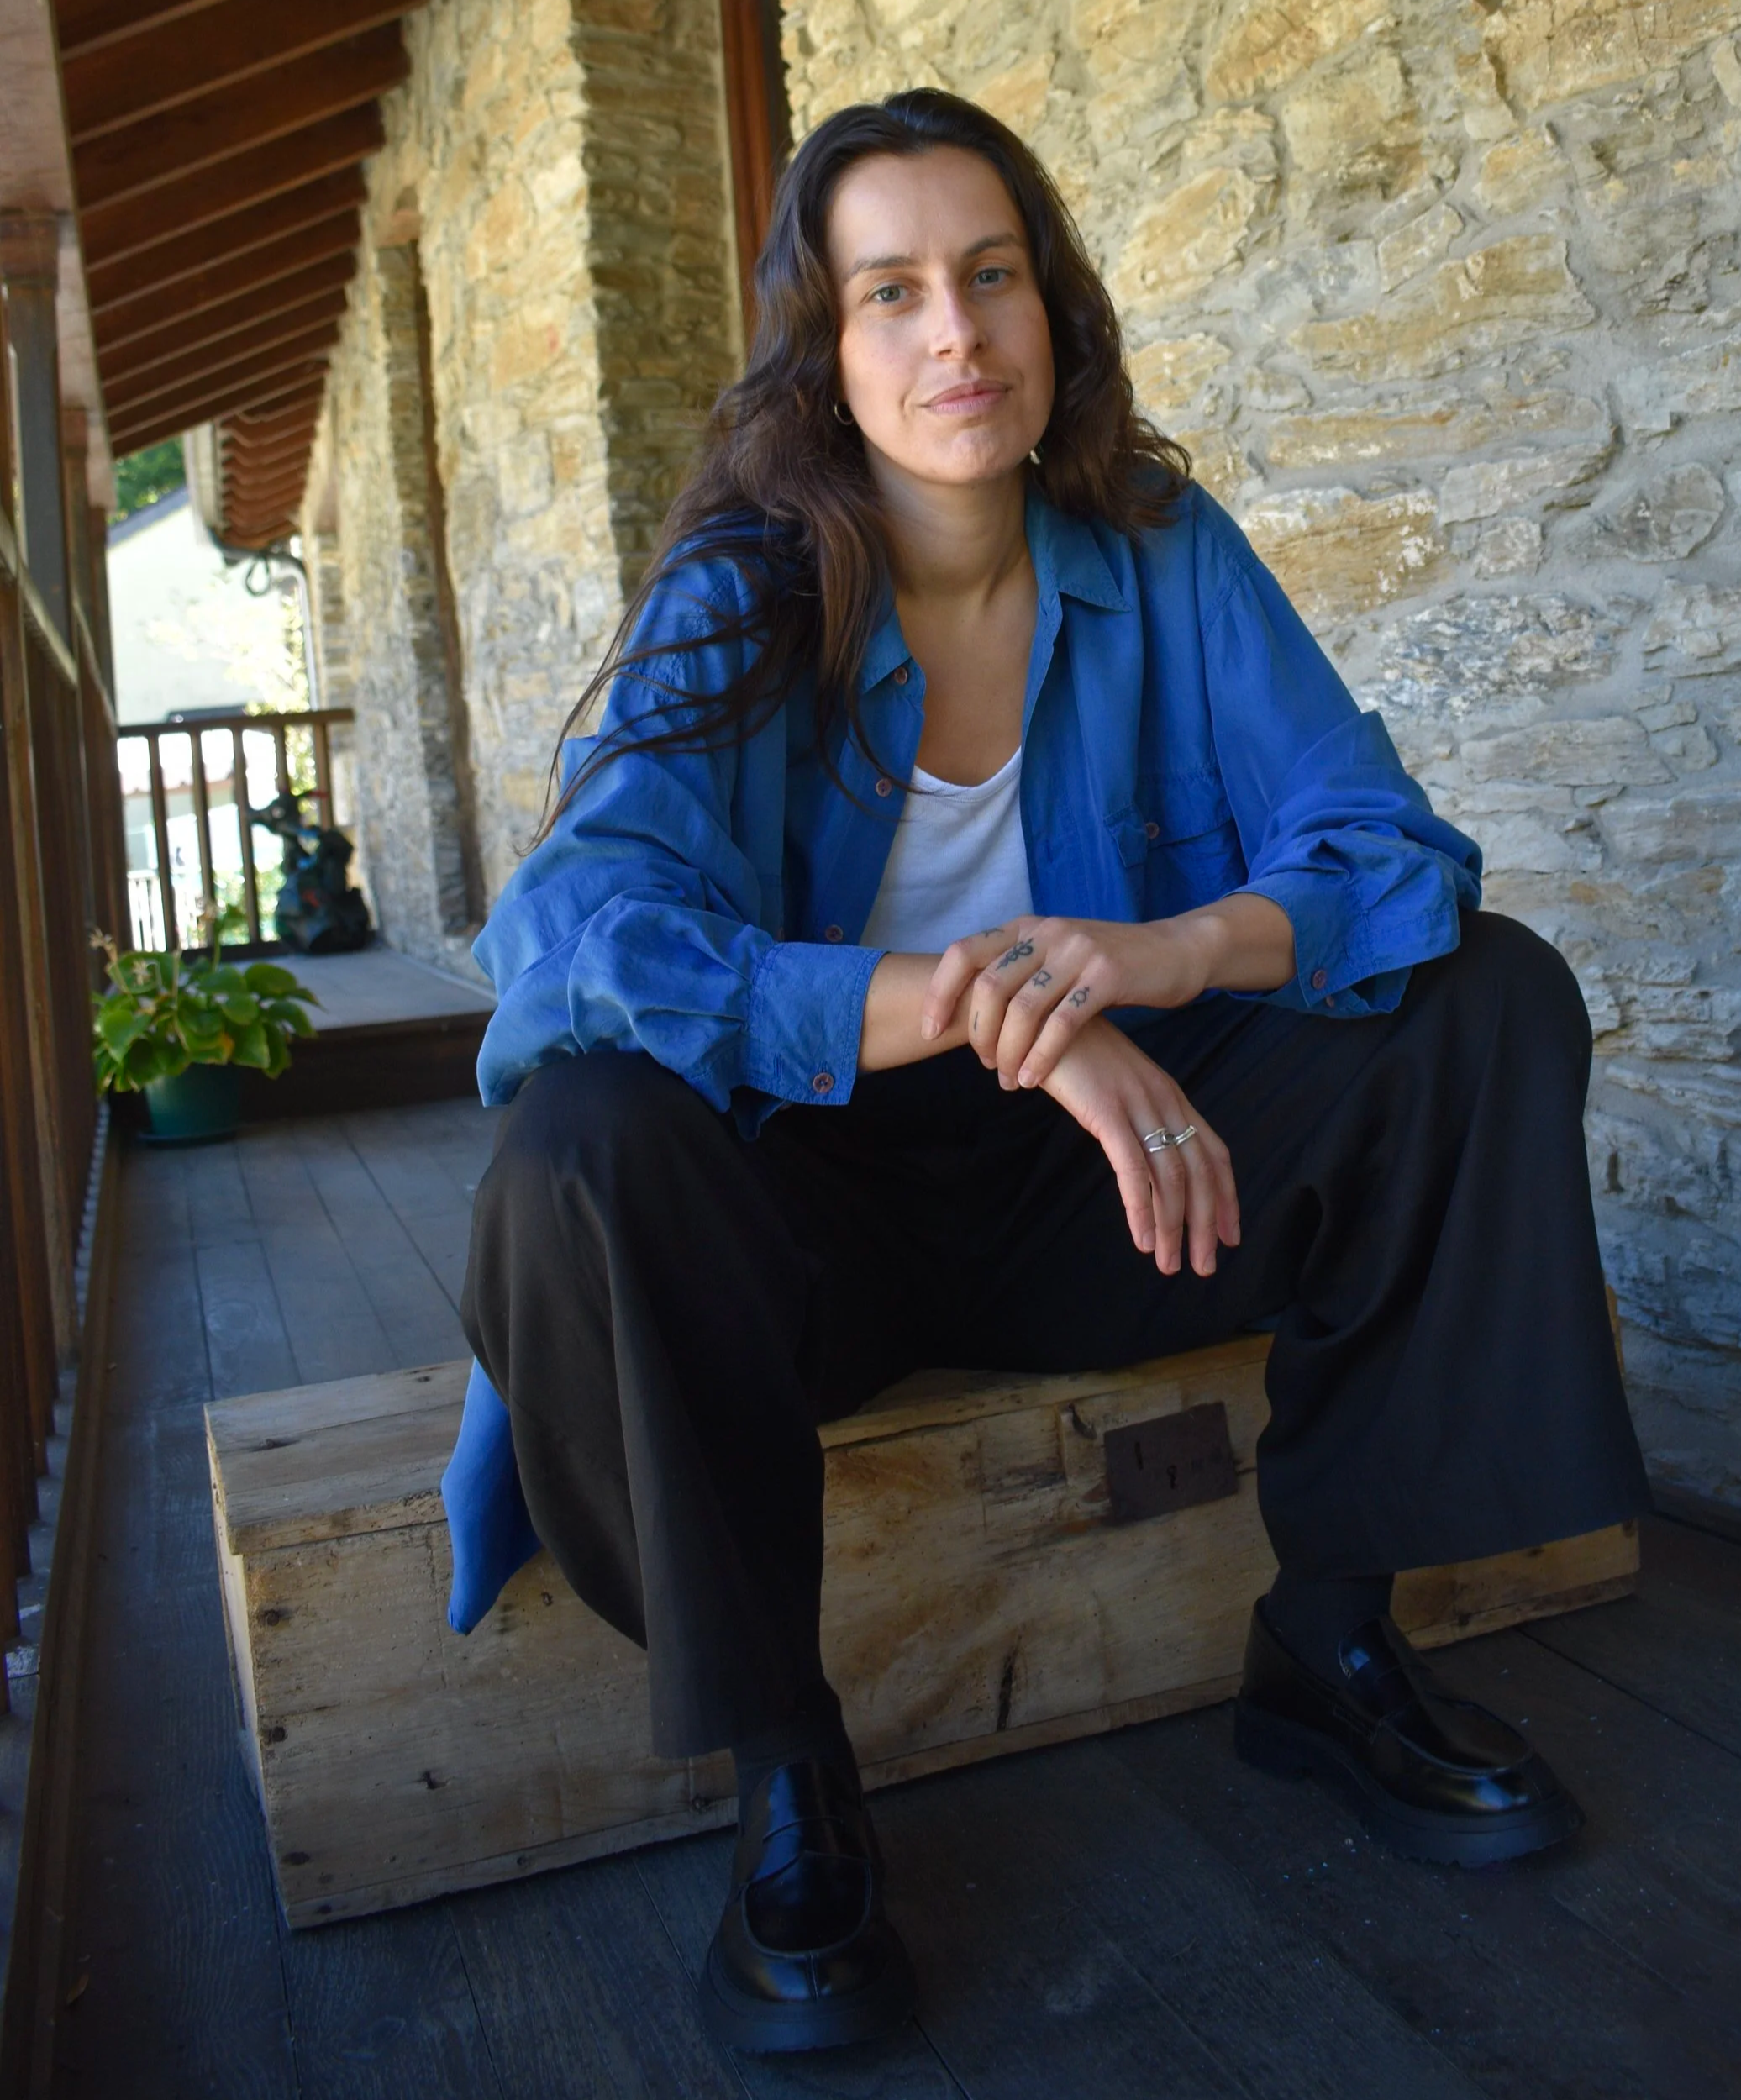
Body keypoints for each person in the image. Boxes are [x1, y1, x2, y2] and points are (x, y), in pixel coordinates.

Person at [455, 87, 1649, 2055]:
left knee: (1485, 999)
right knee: (583, 1141)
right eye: (894, 292)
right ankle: (786, 1770)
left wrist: (1157, 957)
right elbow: (570, 949)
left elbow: (1390, 857)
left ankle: (1332, 1637)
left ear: (1052, 302)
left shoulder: (1161, 554)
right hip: (807, 1230)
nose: (957, 335)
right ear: (824, 355)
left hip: (1122, 1192)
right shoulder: (741, 590)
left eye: (991, 274)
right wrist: (963, 1003)